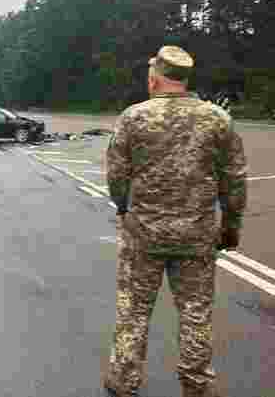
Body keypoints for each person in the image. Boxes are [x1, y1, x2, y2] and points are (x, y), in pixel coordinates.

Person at [103, 46, 247, 397]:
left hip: (144, 236)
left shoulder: (134, 117)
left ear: (155, 78)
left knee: (133, 311)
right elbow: (234, 180)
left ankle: (124, 380)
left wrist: (124, 207)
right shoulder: (216, 119)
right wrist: (230, 228)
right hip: (196, 236)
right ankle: (196, 385)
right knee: (196, 313)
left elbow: (117, 175)